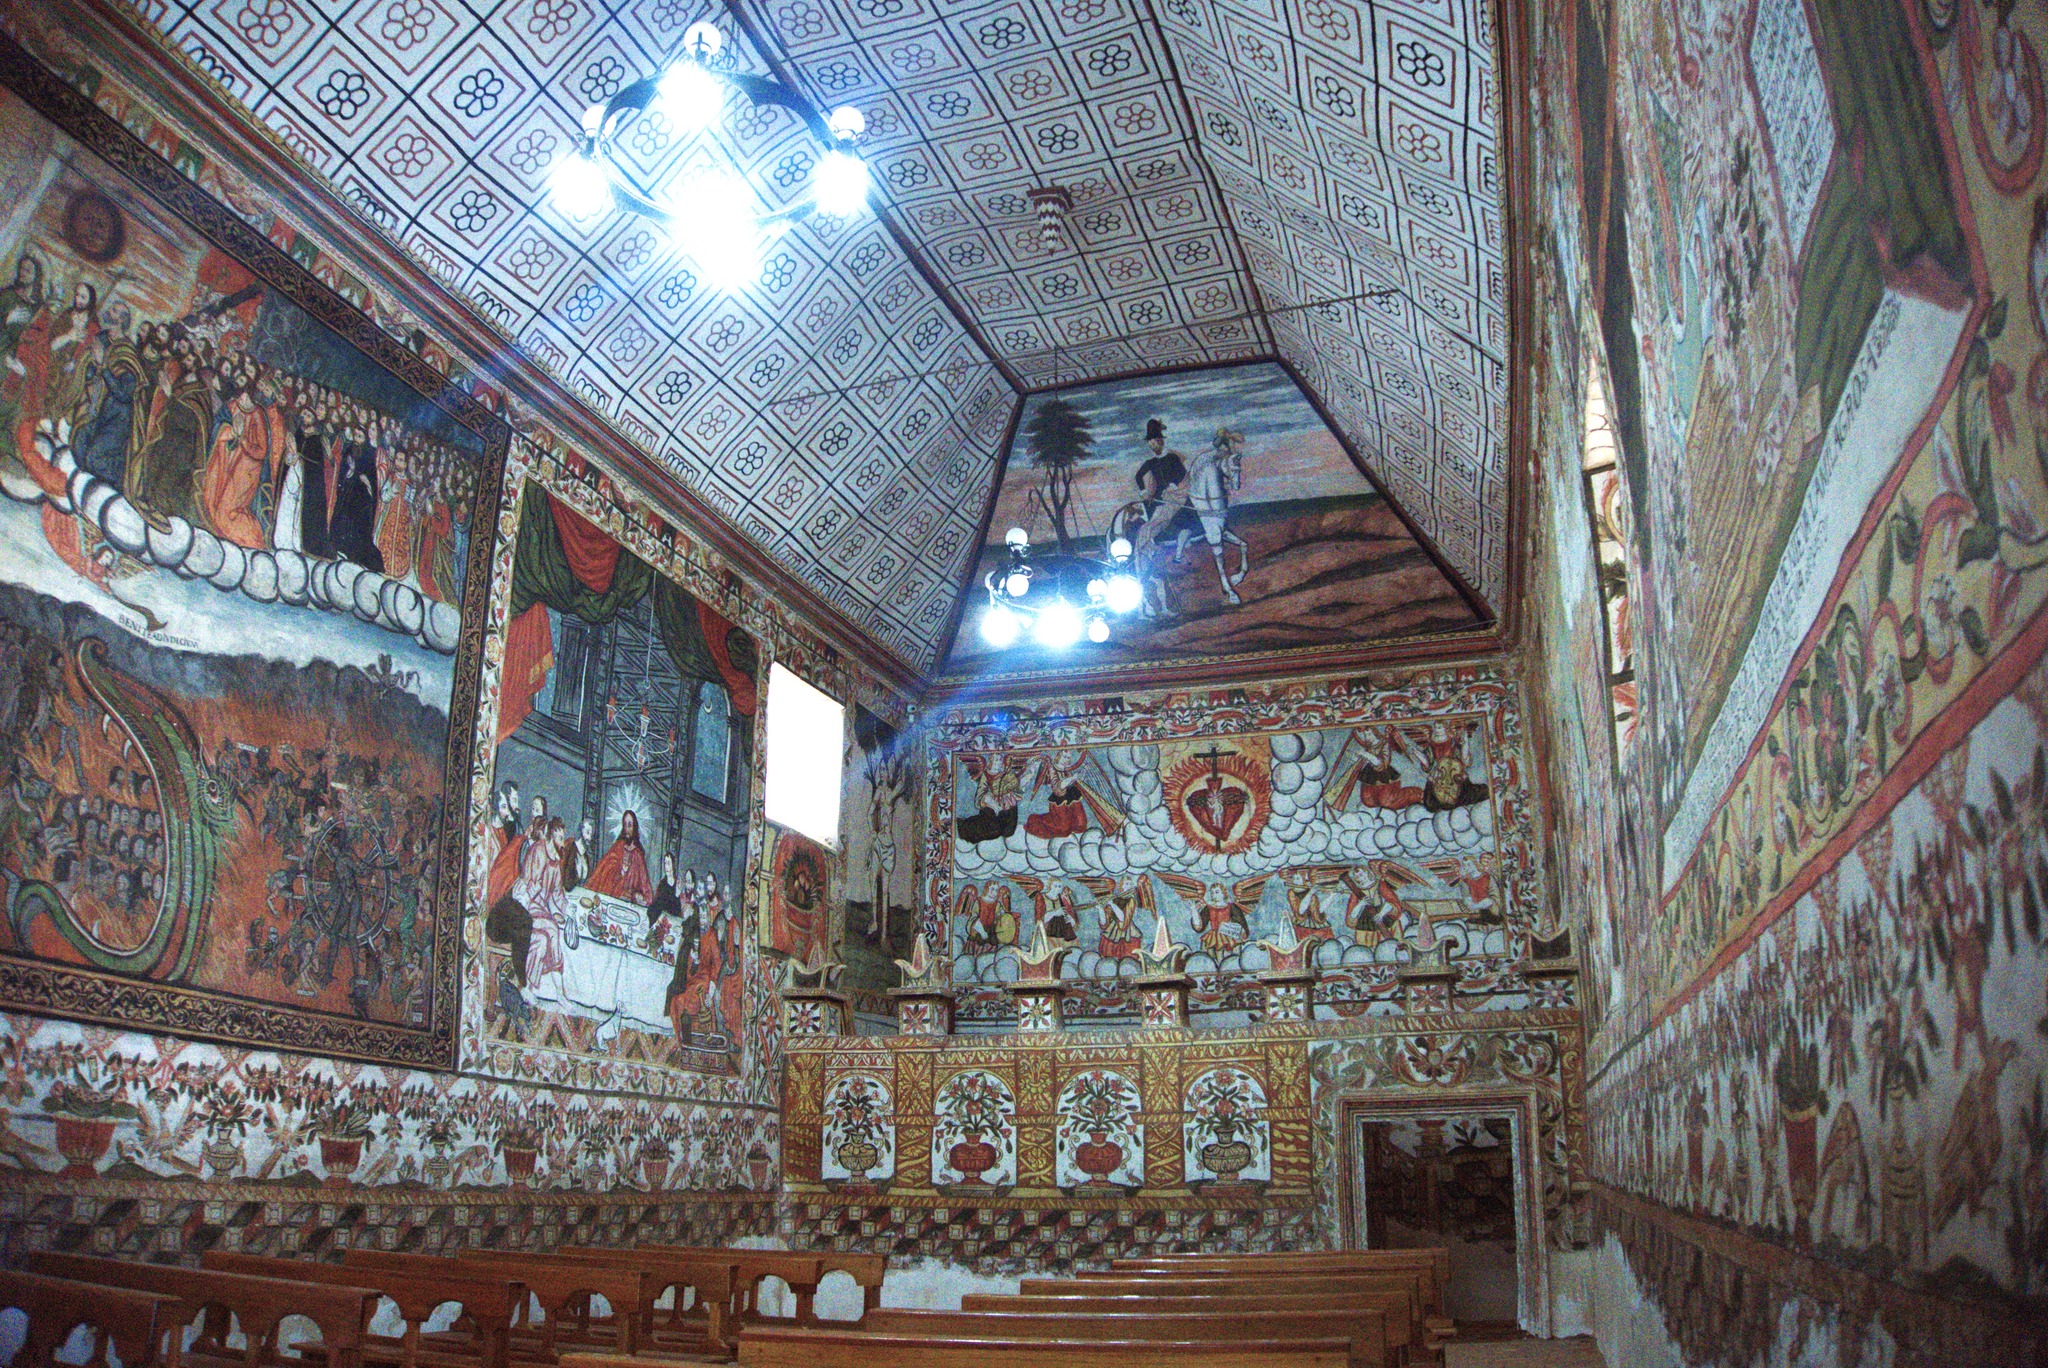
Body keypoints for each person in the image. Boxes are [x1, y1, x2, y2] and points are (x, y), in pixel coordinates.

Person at [584, 809, 653, 906]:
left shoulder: (638, 855)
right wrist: (620, 871)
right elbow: (602, 871)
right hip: (613, 899)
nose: (627, 829)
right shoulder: (618, 847)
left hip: (629, 905)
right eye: (625, 825)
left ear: (635, 827)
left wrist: (638, 896)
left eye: (630, 825)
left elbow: (645, 887)